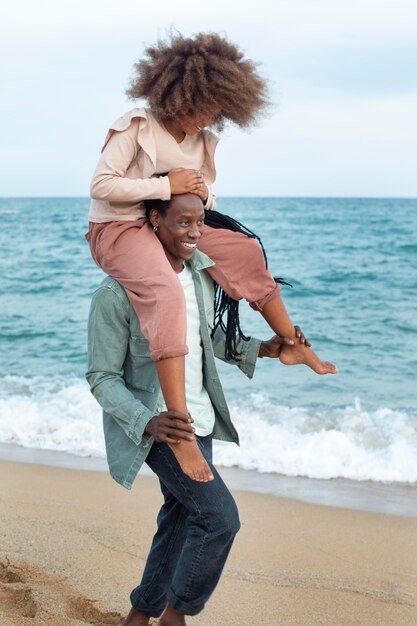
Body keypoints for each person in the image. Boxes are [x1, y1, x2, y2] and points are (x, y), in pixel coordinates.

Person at [86, 31, 337, 483]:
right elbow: (102, 186)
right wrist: (167, 186)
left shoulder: (203, 141)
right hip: (119, 227)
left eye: (221, 108)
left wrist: (204, 193)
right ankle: (181, 429)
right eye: (208, 104)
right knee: (166, 289)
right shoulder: (136, 125)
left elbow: (202, 203)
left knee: (243, 250)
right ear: (182, 94)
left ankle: (295, 346)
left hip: (170, 223)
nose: (213, 116)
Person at [86, 192, 309, 626]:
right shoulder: (116, 293)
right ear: (154, 221)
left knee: (182, 514)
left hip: (201, 417)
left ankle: (140, 614)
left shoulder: (199, 275)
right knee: (220, 519)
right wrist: (146, 420)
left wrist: (263, 348)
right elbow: (102, 377)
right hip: (162, 428)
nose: (192, 233)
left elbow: (209, 340)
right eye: (181, 222)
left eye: (199, 223)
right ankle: (176, 614)